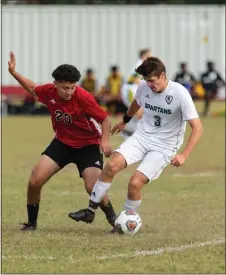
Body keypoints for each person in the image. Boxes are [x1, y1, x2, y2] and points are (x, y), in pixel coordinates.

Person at [68, 57, 203, 228]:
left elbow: (197, 128)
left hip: (164, 146)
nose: (149, 84)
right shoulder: (143, 87)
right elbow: (136, 102)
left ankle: (125, 223)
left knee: (134, 183)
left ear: (163, 76)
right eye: (146, 81)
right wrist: (125, 121)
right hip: (142, 137)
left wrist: (184, 154)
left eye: (152, 80)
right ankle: (90, 211)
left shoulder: (180, 93)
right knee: (111, 166)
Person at [8, 51, 116, 231]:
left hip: (87, 145)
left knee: (92, 187)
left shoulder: (83, 97)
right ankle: (31, 223)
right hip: (62, 143)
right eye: (65, 87)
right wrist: (13, 73)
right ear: (55, 84)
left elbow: (105, 119)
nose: (69, 91)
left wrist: (104, 141)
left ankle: (115, 222)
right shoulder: (49, 92)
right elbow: (33, 89)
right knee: (35, 181)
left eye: (73, 87)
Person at [120, 73, 143, 139]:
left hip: (133, 113)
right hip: (135, 112)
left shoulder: (128, 87)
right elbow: (131, 101)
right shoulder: (132, 88)